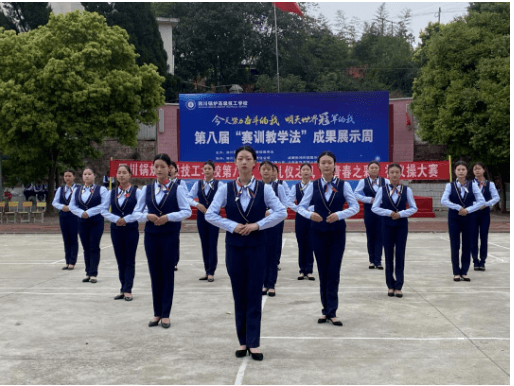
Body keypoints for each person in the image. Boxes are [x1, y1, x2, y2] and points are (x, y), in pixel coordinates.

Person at [206, 145, 286, 361]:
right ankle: (242, 341)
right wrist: (231, 226)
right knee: (238, 294)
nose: (243, 162)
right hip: (234, 247)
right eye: (240, 158)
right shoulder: (225, 188)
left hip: (258, 247)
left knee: (253, 295)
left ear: (254, 164)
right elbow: (210, 214)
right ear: (235, 162)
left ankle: (254, 342)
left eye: (247, 158)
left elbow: (281, 212)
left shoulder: (264, 189)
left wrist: (258, 225)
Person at [297, 151, 359, 326]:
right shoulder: (313, 185)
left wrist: (340, 214)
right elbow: (300, 207)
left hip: (337, 233)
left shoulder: (343, 185)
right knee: (323, 271)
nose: (326, 165)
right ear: (318, 166)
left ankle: (333, 311)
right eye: (323, 162)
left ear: (334, 165)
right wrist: (310, 215)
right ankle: (325, 310)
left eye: (329, 162)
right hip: (317, 232)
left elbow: (354, 206)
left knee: (334, 271)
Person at [133, 154, 191, 329]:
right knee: (154, 273)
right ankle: (156, 312)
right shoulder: (147, 190)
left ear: (169, 169)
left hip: (169, 235)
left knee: (167, 273)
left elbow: (186, 211)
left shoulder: (177, 188)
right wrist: (147, 216)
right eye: (156, 166)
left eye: (162, 167)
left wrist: (168, 217)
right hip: (151, 235)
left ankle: (166, 313)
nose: (159, 170)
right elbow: (136, 213)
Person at [371, 163, 417, 298]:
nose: (395, 175)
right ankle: (390, 285)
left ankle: (399, 286)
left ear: (401, 173)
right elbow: (375, 207)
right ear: (388, 174)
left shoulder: (406, 190)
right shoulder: (382, 189)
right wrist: (389, 213)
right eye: (392, 172)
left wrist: (401, 214)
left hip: (402, 225)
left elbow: (413, 208)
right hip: (386, 225)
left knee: (400, 255)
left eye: (397, 172)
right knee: (389, 255)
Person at [101, 164, 142, 301]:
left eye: (124, 172)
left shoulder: (137, 192)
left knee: (129, 259)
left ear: (130, 175)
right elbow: (104, 210)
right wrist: (116, 219)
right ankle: (122, 288)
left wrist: (127, 219)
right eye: (119, 173)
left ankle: (128, 289)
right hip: (116, 229)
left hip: (131, 229)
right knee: (120, 260)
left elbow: (141, 210)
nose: (121, 175)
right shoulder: (111, 192)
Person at [441, 161, 485, 282]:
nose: (461, 172)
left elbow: (481, 201)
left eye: (463, 169)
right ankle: (456, 272)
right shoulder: (449, 186)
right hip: (454, 217)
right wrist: (458, 208)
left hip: (469, 218)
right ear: (455, 171)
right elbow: (444, 201)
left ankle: (464, 271)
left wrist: (468, 210)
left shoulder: (472, 185)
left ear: (467, 171)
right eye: (458, 169)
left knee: (467, 244)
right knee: (455, 245)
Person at [69, 167, 110, 283]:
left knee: (94, 246)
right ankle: (88, 272)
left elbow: (104, 205)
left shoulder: (101, 189)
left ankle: (93, 273)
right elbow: (72, 206)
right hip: (82, 221)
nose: (87, 176)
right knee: (86, 247)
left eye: (89, 174)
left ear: (94, 176)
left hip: (96, 221)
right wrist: (82, 213)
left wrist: (89, 212)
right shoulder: (77, 190)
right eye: (84, 174)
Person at [187, 160, 224, 282]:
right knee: (204, 244)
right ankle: (207, 270)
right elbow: (188, 197)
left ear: (214, 171)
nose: (207, 171)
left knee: (212, 243)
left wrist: (216, 207)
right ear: (202, 171)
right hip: (201, 217)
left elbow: (225, 199)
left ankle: (211, 271)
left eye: (209, 168)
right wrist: (197, 204)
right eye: (205, 169)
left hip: (214, 218)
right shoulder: (198, 184)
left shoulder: (220, 185)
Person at [259, 161, 289, 297]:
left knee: (272, 255)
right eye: (263, 169)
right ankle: (263, 284)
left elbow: (284, 204)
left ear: (273, 172)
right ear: (259, 171)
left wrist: (270, 211)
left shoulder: (279, 187)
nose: (266, 172)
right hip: (259, 225)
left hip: (274, 224)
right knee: (261, 255)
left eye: (268, 169)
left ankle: (271, 284)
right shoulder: (255, 186)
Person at [354, 161, 390, 270]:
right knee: (370, 236)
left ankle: (378, 261)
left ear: (379, 169)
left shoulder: (385, 181)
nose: (374, 169)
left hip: (381, 211)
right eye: (372, 168)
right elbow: (356, 194)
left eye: (376, 168)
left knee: (380, 236)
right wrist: (369, 200)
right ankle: (371, 260)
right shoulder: (363, 181)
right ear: (368, 170)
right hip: (369, 211)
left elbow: (391, 193)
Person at [288, 163, 315, 280]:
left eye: (307, 170)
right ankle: (301, 270)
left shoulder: (315, 186)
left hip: (311, 217)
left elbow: (319, 201)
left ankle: (309, 270)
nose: (305, 172)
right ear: (300, 172)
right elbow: (289, 201)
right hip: (299, 218)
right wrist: (299, 209)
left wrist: (309, 209)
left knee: (310, 244)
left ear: (311, 172)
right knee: (301, 244)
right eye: (303, 170)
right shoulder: (295, 187)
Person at [471, 162, 499, 271]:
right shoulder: (469, 184)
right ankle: (475, 260)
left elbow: (496, 198)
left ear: (483, 170)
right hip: (473, 213)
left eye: (479, 169)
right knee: (473, 237)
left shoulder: (489, 184)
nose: (477, 171)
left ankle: (482, 261)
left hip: (484, 213)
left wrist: (486, 204)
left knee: (484, 237)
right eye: (475, 169)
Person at [52, 170, 79, 271]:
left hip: (74, 216)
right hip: (63, 216)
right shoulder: (61, 189)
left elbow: (80, 201)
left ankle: (72, 262)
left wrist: (71, 207)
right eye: (65, 176)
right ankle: (67, 261)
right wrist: (62, 206)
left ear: (74, 177)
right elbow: (54, 202)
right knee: (66, 239)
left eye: (69, 176)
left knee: (73, 239)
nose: (67, 178)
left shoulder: (78, 188)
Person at [169, 161, 188, 271]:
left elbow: (184, 197)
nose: (170, 170)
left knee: (175, 239)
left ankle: (175, 261)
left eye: (172, 168)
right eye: (169, 168)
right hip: (164, 214)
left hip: (176, 214)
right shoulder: (161, 183)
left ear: (176, 170)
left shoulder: (181, 183)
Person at [271, 163, 289, 271]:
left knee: (277, 241)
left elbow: (285, 201)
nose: (270, 173)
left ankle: (275, 262)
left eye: (273, 170)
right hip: (265, 218)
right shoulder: (262, 185)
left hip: (277, 218)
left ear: (277, 172)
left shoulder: (282, 184)